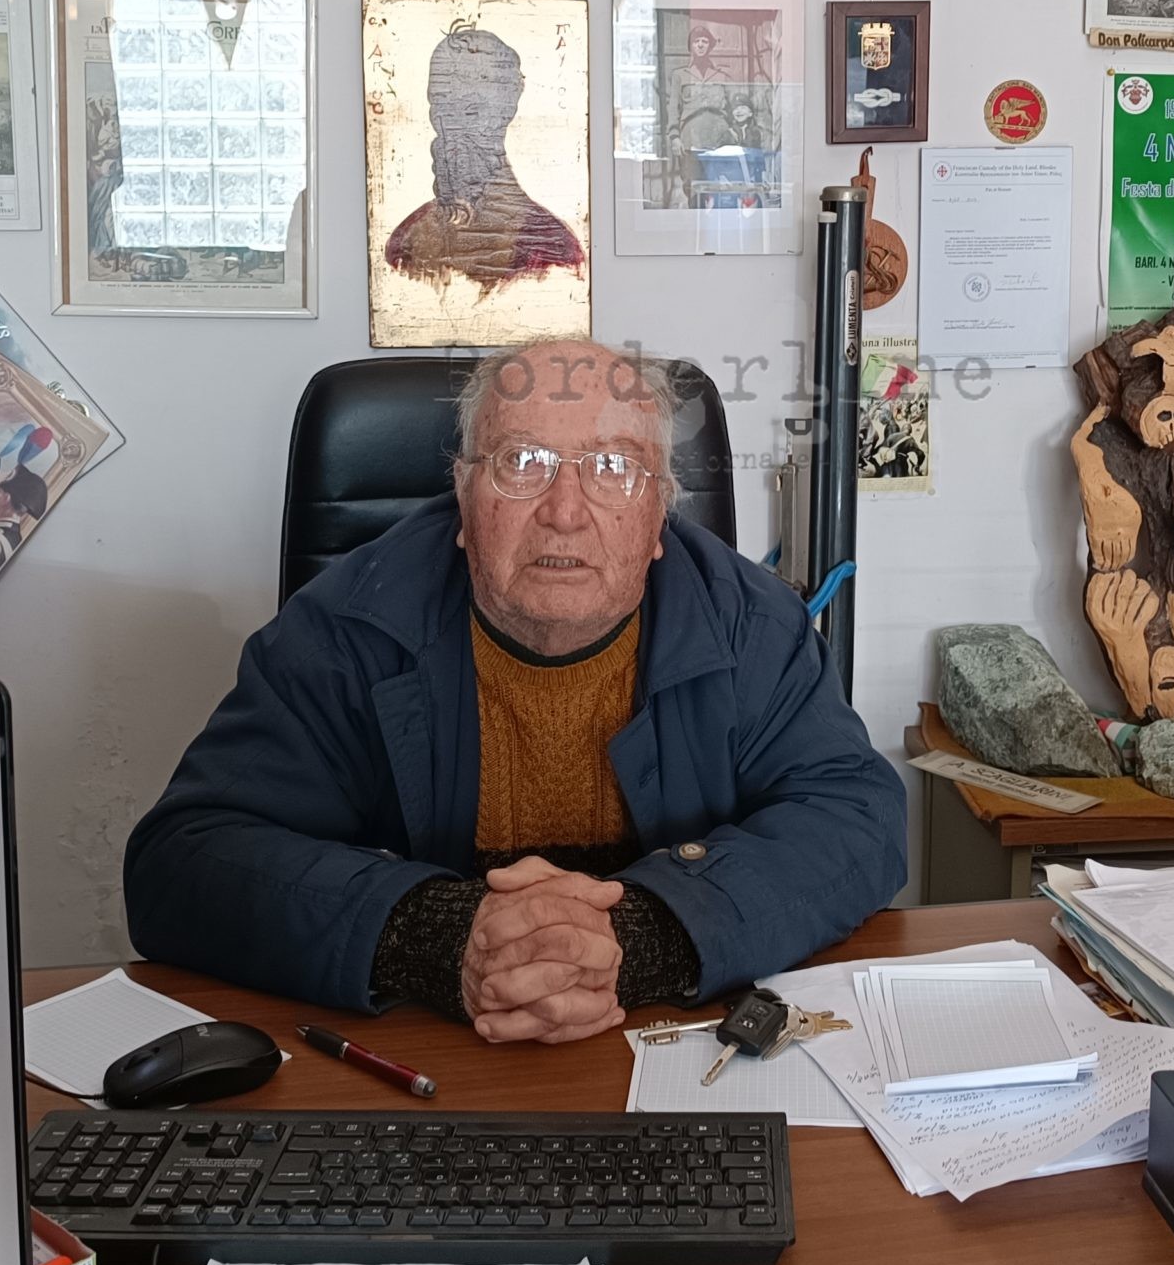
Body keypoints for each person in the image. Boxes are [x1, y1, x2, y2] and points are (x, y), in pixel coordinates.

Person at [124, 338, 907, 1042]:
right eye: (523, 463)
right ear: (464, 500)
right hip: (431, 1059)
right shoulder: (345, 627)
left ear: (659, 516)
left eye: (613, 469)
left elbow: (859, 820)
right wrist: (442, 935)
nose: (564, 513)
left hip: (667, 1049)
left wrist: (643, 936)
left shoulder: (751, 624)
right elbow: (181, 863)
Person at [384, 28, 585, 291]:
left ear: (505, 109)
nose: (451, 122)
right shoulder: (406, 241)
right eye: (441, 102)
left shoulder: (554, 249)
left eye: (472, 107)